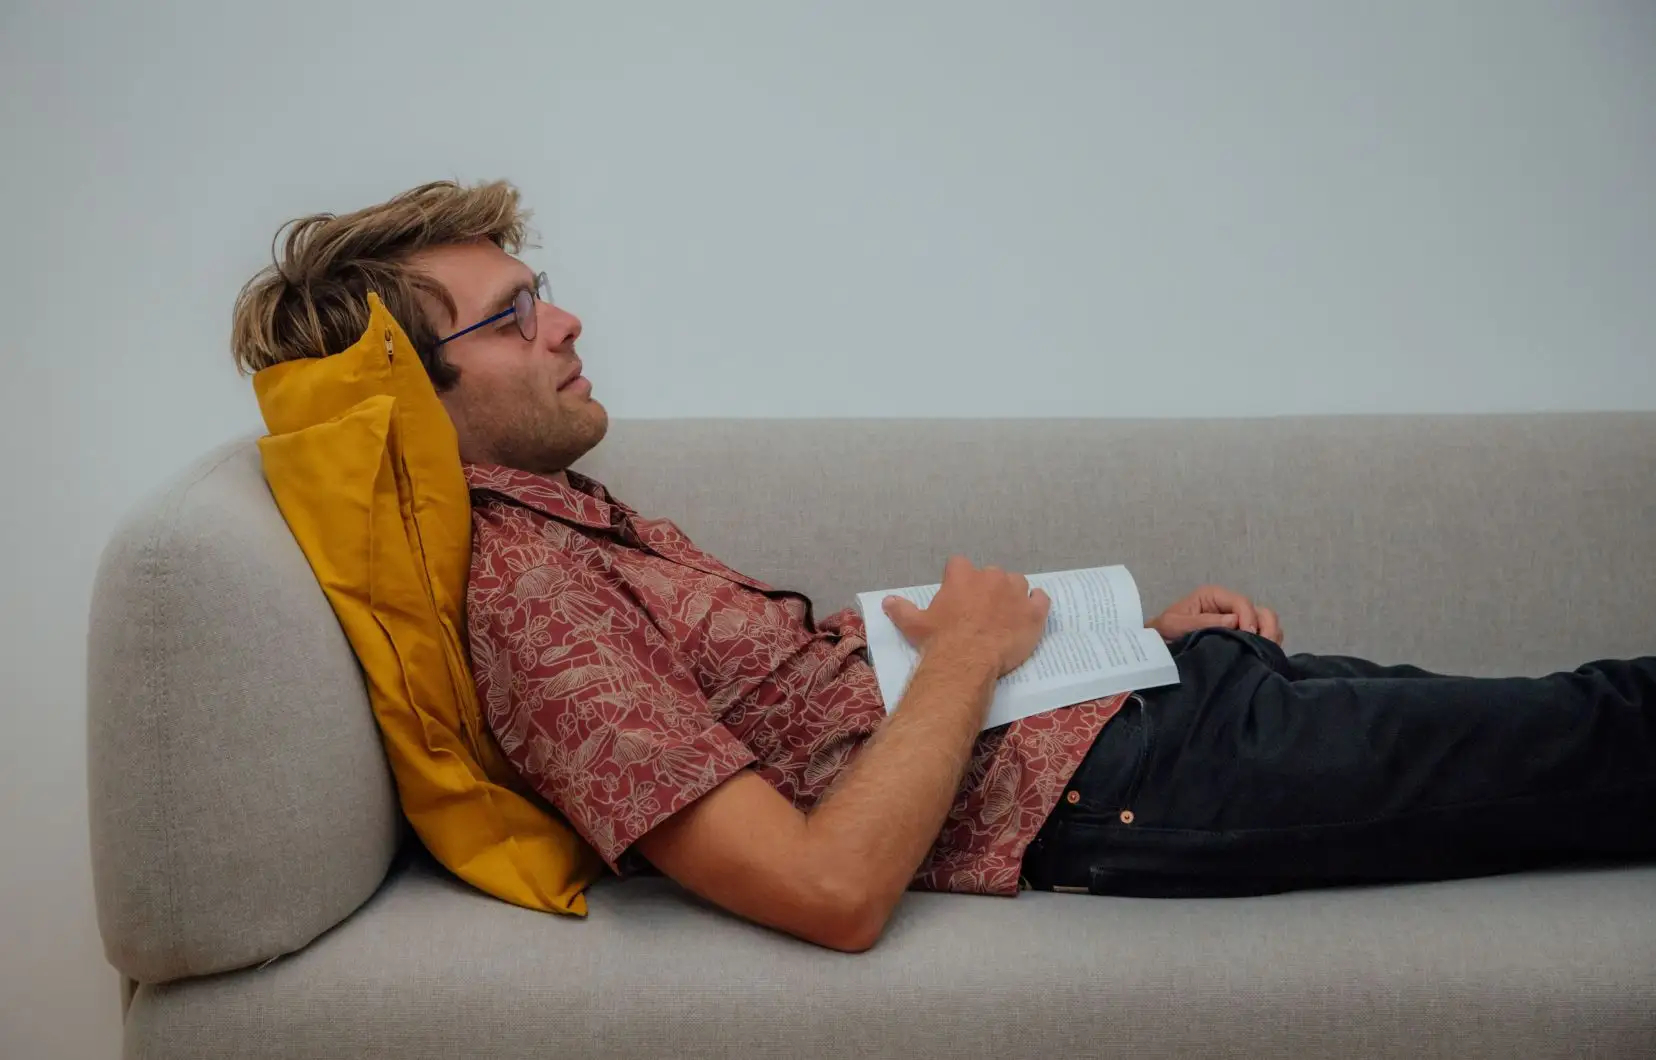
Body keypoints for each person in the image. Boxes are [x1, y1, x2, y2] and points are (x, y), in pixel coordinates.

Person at [231, 180, 1656, 952]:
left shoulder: (565, 520)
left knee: (1588, 725)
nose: (566, 322)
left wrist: (1108, 642)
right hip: (1143, 789)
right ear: (413, 391)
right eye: (515, 312)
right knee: (1609, 735)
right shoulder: (525, 602)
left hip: (1144, 721)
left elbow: (820, 716)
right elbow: (824, 891)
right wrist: (975, 655)